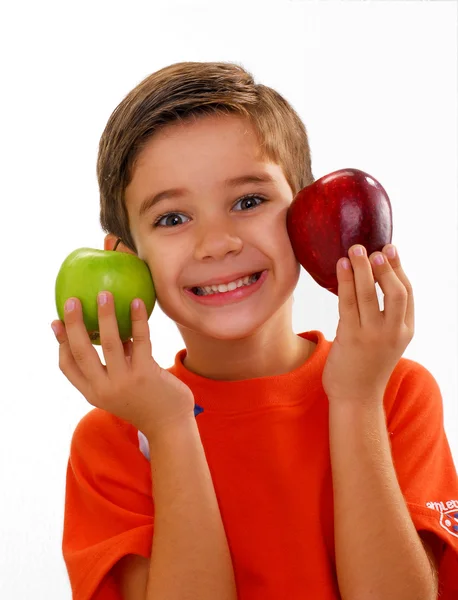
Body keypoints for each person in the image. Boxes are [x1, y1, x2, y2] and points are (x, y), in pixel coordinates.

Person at [51, 62, 458, 600]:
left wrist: (357, 399)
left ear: (309, 214)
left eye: (248, 201)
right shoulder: (116, 439)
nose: (217, 243)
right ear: (127, 260)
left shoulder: (395, 394)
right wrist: (172, 429)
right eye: (173, 218)